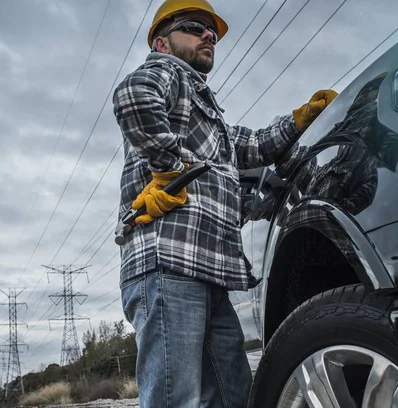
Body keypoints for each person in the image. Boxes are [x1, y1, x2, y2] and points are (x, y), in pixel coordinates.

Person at [111, 0, 338, 407]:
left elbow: (250, 146)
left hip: (207, 271)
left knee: (235, 393)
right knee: (174, 398)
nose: (207, 36)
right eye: (195, 27)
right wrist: (167, 169)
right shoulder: (167, 72)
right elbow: (132, 95)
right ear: (162, 43)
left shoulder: (205, 109)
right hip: (167, 262)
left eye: (212, 33)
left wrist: (301, 118)